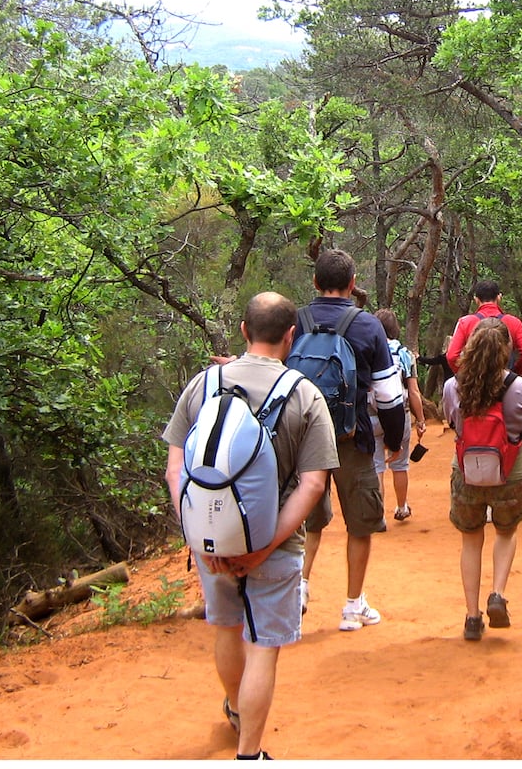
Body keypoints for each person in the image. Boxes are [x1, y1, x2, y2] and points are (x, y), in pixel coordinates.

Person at [163, 292, 338, 760]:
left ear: (243, 331)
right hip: (276, 546)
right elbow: (314, 485)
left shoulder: (203, 385)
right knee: (263, 647)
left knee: (226, 630)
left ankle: (236, 709)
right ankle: (250, 752)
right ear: (290, 337)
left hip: (211, 538)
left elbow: (175, 470)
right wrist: (264, 547)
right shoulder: (305, 394)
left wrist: (202, 538)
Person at [295, 250, 406, 631]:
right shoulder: (367, 326)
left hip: (301, 440)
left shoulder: (296, 321)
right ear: (353, 283)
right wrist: (393, 440)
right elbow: (389, 396)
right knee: (360, 523)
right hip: (351, 438)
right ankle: (352, 606)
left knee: (307, 519)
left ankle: (299, 588)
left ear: (314, 282)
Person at [442, 317, 522, 641]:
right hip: (510, 474)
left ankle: (471, 617)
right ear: (506, 351)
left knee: (470, 540)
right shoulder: (520, 387)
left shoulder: (453, 386)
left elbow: (453, 422)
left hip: (467, 474)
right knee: (506, 532)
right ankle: (497, 594)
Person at [371, 308, 426, 521]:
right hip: (398, 415)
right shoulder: (404, 354)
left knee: (376, 466)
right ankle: (402, 507)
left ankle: (378, 517)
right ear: (395, 329)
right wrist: (420, 420)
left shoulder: (368, 350)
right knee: (400, 465)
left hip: (372, 415)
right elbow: (413, 391)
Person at [445, 279, 522, 375]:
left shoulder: (465, 322)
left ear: (476, 299)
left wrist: (465, 375)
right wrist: (514, 374)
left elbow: (452, 356)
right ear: (499, 297)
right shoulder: (514, 322)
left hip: (474, 383)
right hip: (504, 383)